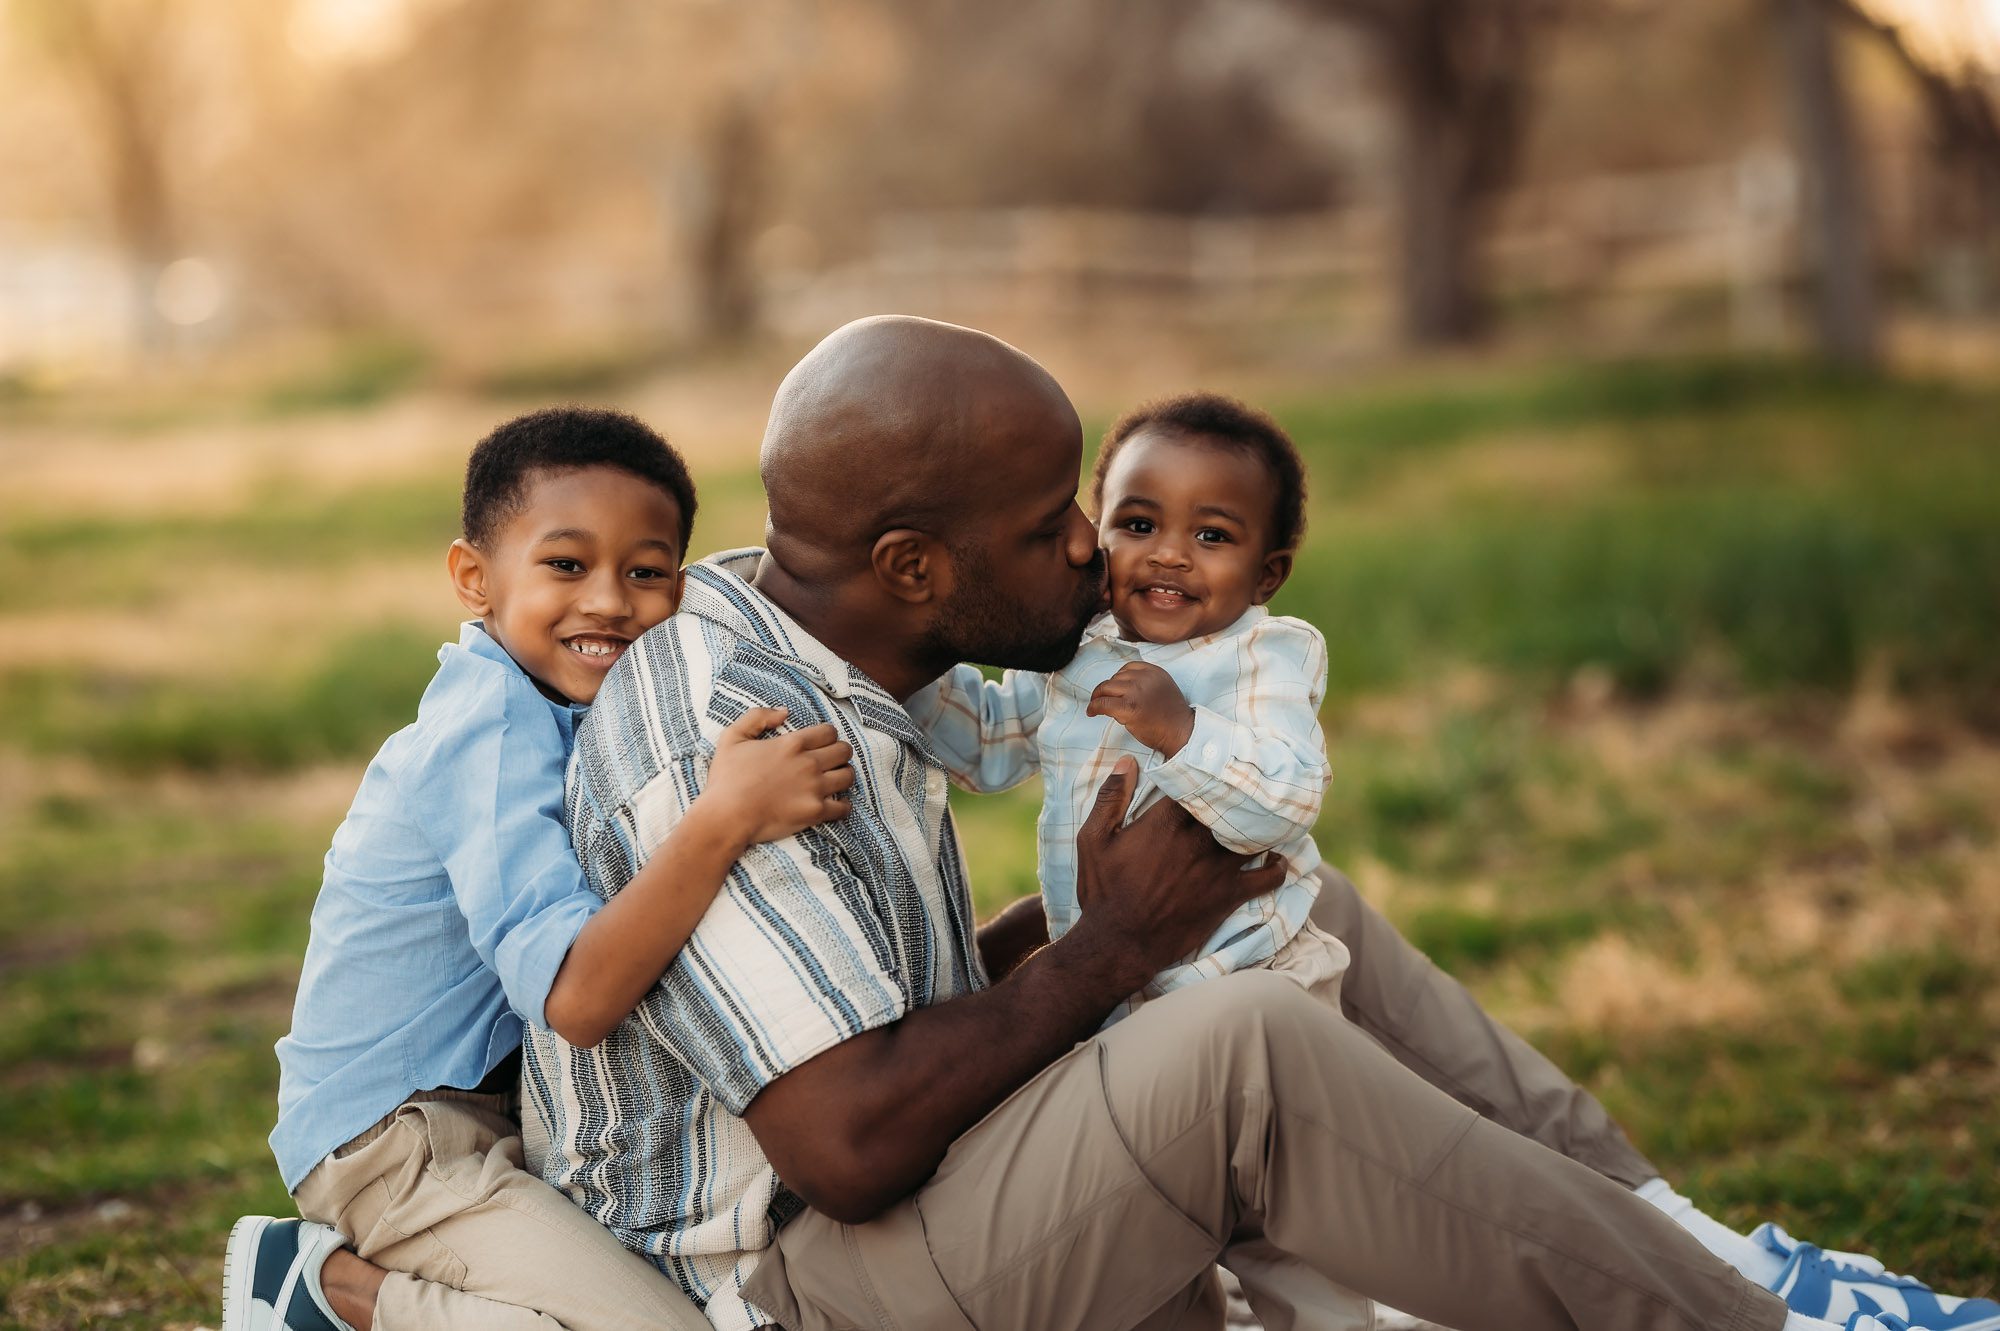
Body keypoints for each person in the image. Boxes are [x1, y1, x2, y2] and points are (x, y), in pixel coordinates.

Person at [522, 316, 1952, 1331]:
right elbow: (842, 1139)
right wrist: (1109, 949)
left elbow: (877, 992)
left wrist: (1087, 923)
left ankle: (1685, 1235)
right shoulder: (737, 741)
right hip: (809, 1283)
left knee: (1277, 896)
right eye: (1050, 524)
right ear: (913, 564)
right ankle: (1739, 1322)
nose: (1097, 543)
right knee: (1234, 1041)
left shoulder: (826, 629)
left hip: (915, 1198)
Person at [222, 408, 855, 1331]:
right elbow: (575, 996)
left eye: (647, 572)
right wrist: (726, 817)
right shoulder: (484, 731)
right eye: (566, 565)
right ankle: (331, 1293)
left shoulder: (569, 705)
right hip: (392, 1147)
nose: (608, 600)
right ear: (474, 578)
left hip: (499, 1119)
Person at [909, 391, 1349, 1027]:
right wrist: (907, 662)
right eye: (1139, 525)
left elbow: (1285, 805)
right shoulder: (1081, 648)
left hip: (1250, 980)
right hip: (1120, 989)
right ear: (1096, 535)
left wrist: (1183, 732)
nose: (1169, 553)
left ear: (1267, 575)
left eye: (1211, 535)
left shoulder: (1260, 657)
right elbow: (990, 744)